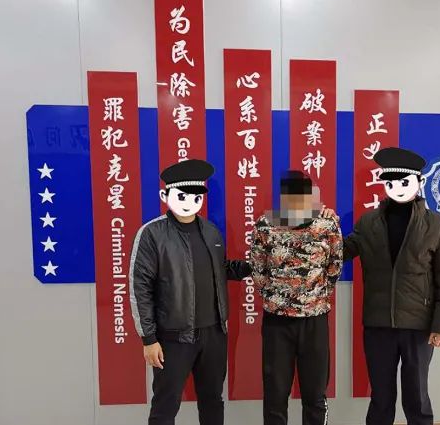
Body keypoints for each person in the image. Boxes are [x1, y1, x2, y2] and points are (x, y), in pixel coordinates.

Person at [324, 147, 440, 425]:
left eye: (404, 182)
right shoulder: (368, 223)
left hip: (419, 326)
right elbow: (339, 252)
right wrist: (322, 226)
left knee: (417, 397)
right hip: (378, 325)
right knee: (381, 398)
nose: (397, 188)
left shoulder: (438, 226)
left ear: (419, 182)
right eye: (391, 183)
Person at [129, 159, 252, 425]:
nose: (189, 202)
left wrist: (252, 267)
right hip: (173, 337)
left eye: (196, 197)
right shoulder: (151, 234)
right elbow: (140, 287)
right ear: (165, 196)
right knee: (165, 405)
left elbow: (220, 268)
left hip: (214, 333)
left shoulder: (210, 231)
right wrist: (149, 339)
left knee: (213, 400)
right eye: (182, 196)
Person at [249, 171, 343, 425]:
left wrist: (315, 297)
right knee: (275, 395)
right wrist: (277, 298)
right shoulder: (265, 225)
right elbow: (258, 269)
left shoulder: (326, 225)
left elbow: (334, 266)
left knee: (315, 394)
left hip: (314, 320)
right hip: (277, 322)